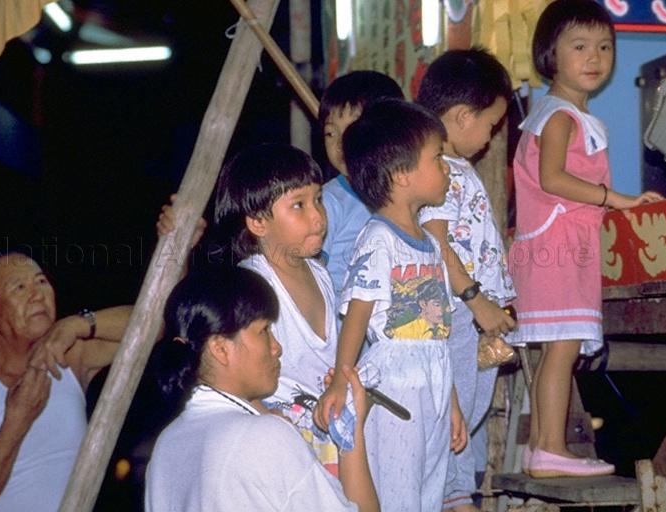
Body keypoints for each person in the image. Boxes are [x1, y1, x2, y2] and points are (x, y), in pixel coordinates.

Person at [508, 0, 662, 478]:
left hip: (552, 250)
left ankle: (542, 447)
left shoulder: (553, 111)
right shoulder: (559, 117)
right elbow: (553, 179)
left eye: (604, 47)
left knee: (556, 347)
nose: (594, 57)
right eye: (579, 47)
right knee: (562, 347)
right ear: (550, 54)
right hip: (558, 254)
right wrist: (617, 199)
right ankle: (551, 449)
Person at [316, 98, 467, 512]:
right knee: (399, 491)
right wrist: (340, 383)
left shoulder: (432, 245)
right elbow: (357, 315)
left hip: (434, 380)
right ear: (401, 174)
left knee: (429, 490)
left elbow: (438, 334)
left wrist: (450, 403)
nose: (446, 167)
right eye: (437, 157)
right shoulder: (378, 239)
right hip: (397, 385)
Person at [144, 266, 379, 512]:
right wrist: (351, 438)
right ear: (221, 349)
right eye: (264, 330)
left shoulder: (165, 446)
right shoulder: (266, 435)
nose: (276, 348)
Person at [0, 249, 131, 511]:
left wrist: (79, 324)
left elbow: (156, 324)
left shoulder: (68, 358)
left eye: (41, 281)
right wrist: (17, 420)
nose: (37, 294)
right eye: (19, 287)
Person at [416, 48, 517, 511]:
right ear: (460, 117)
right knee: (453, 414)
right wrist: (478, 302)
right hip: (458, 313)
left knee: (468, 413)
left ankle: (455, 494)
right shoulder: (439, 174)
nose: (493, 136)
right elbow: (438, 243)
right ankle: (455, 499)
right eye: (491, 125)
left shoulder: (456, 169)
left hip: (473, 318)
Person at [213, 143, 343, 473]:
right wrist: (267, 419)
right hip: (279, 439)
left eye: (318, 199)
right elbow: (232, 376)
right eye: (298, 205)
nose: (317, 216)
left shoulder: (320, 274)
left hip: (327, 436)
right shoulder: (253, 285)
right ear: (258, 223)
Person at [319, 70, 405, 298]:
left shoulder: (406, 193)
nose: (340, 144)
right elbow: (312, 274)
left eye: (353, 130)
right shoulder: (328, 201)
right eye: (330, 133)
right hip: (343, 328)